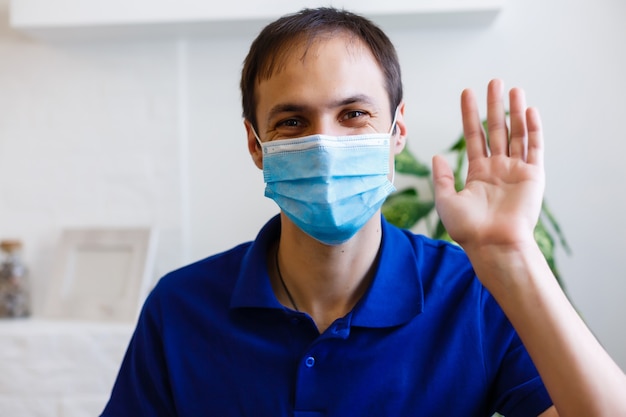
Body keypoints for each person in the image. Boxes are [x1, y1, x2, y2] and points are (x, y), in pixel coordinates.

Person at [101, 7, 626, 417]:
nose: (324, 144)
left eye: (354, 114)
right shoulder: (180, 307)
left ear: (396, 131)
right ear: (256, 145)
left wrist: (513, 256)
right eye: (291, 122)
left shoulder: (472, 295)